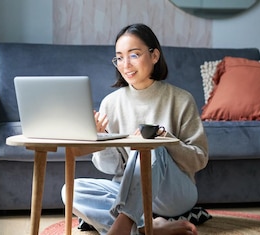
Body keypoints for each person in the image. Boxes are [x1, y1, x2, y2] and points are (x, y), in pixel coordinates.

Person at [62, 23, 209, 235]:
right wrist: (100, 140)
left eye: (134, 55)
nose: (125, 64)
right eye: (119, 57)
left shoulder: (181, 99)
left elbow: (199, 159)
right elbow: (111, 169)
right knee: (70, 191)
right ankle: (146, 227)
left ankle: (123, 226)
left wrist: (166, 140)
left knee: (150, 147)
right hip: (125, 191)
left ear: (155, 55)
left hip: (172, 195)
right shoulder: (110, 104)